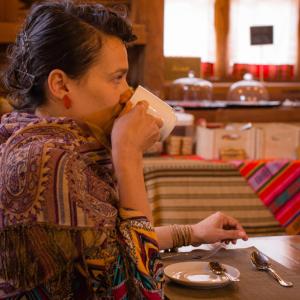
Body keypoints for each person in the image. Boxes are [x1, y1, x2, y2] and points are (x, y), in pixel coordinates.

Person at [0, 1, 248, 299]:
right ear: (61, 85)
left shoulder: (51, 140)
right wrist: (128, 155)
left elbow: (108, 246)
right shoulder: (49, 161)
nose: (128, 93)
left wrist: (193, 232)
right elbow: (141, 289)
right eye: (117, 78)